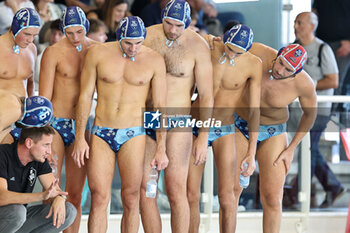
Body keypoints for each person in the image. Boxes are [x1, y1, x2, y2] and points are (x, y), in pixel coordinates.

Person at [72, 16, 168, 233]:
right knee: (99, 197)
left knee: (131, 198)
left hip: (134, 132)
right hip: (101, 131)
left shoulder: (154, 60)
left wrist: (161, 147)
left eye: (138, 43)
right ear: (119, 38)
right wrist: (79, 138)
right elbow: (85, 96)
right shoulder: (98, 54)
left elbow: (158, 106)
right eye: (128, 43)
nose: (133, 48)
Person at [139, 0, 213, 232]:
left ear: (188, 23)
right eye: (168, 23)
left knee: (176, 190)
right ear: (162, 17)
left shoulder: (198, 45)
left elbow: (207, 95)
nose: (172, 30)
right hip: (148, 117)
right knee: (146, 189)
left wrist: (203, 137)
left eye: (178, 26)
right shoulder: (147, 36)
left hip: (178, 120)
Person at [234, 43, 317, 233]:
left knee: (272, 197)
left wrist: (291, 148)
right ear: (277, 55)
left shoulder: (304, 84)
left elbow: (310, 115)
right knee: (232, 192)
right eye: (280, 63)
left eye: (288, 70)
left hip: (273, 131)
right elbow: (228, 44)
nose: (280, 70)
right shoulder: (258, 52)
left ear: (297, 72)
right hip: (240, 125)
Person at [187, 24, 261, 233]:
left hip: (224, 128)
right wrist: (206, 37)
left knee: (228, 197)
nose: (233, 55)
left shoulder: (253, 63)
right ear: (223, 39)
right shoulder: (208, 47)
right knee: (190, 193)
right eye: (230, 49)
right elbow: (184, 34)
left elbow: (255, 111)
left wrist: (251, 152)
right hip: (196, 124)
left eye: (239, 52)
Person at [39, 6, 98, 233]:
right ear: (63, 29)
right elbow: (44, 98)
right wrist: (42, 133)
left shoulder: (97, 50)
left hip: (81, 125)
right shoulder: (53, 52)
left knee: (75, 192)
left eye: (79, 32)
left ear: (87, 29)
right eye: (69, 32)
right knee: (51, 191)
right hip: (55, 124)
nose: (74, 38)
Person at [288, 12, 344, 208]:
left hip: (319, 110)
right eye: (295, 22)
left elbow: (333, 80)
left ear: (312, 26)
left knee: (308, 148)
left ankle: (298, 195)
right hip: (297, 111)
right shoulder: (292, 48)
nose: (296, 26)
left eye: (300, 23)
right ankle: (333, 187)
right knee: (309, 149)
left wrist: (306, 86)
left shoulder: (322, 49)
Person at [0, 126, 77, 233]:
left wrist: (60, 197)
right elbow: (1, 197)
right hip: (7, 216)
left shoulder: (39, 160)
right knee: (17, 212)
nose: (49, 151)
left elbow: (55, 191)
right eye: (46, 145)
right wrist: (41, 196)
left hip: (17, 219)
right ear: (29, 143)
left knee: (69, 210)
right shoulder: (2, 154)